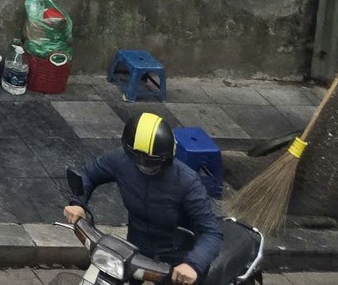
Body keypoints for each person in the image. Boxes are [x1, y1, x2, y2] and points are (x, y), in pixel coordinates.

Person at [65, 116, 222, 285]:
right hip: (135, 252)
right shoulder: (121, 161)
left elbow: (211, 232)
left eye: (154, 162)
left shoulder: (187, 182)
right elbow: (88, 174)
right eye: (139, 159)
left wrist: (192, 265)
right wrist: (78, 204)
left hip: (176, 262)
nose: (146, 166)